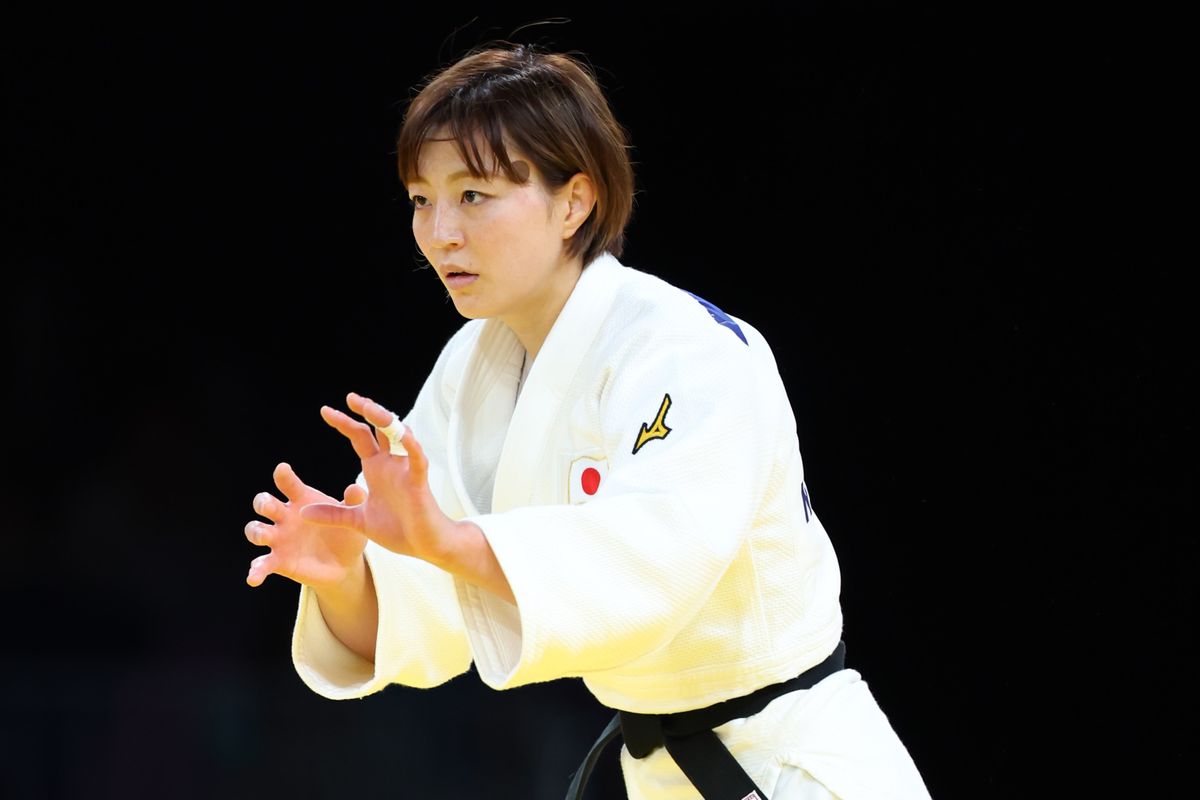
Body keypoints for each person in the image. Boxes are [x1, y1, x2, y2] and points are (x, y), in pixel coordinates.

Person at [243, 42, 933, 800]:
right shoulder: (476, 366)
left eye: (473, 195)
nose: (440, 232)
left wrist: (450, 542)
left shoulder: (685, 350)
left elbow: (652, 563)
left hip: (793, 766)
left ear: (575, 201)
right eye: (420, 199)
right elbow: (439, 595)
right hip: (659, 774)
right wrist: (348, 574)